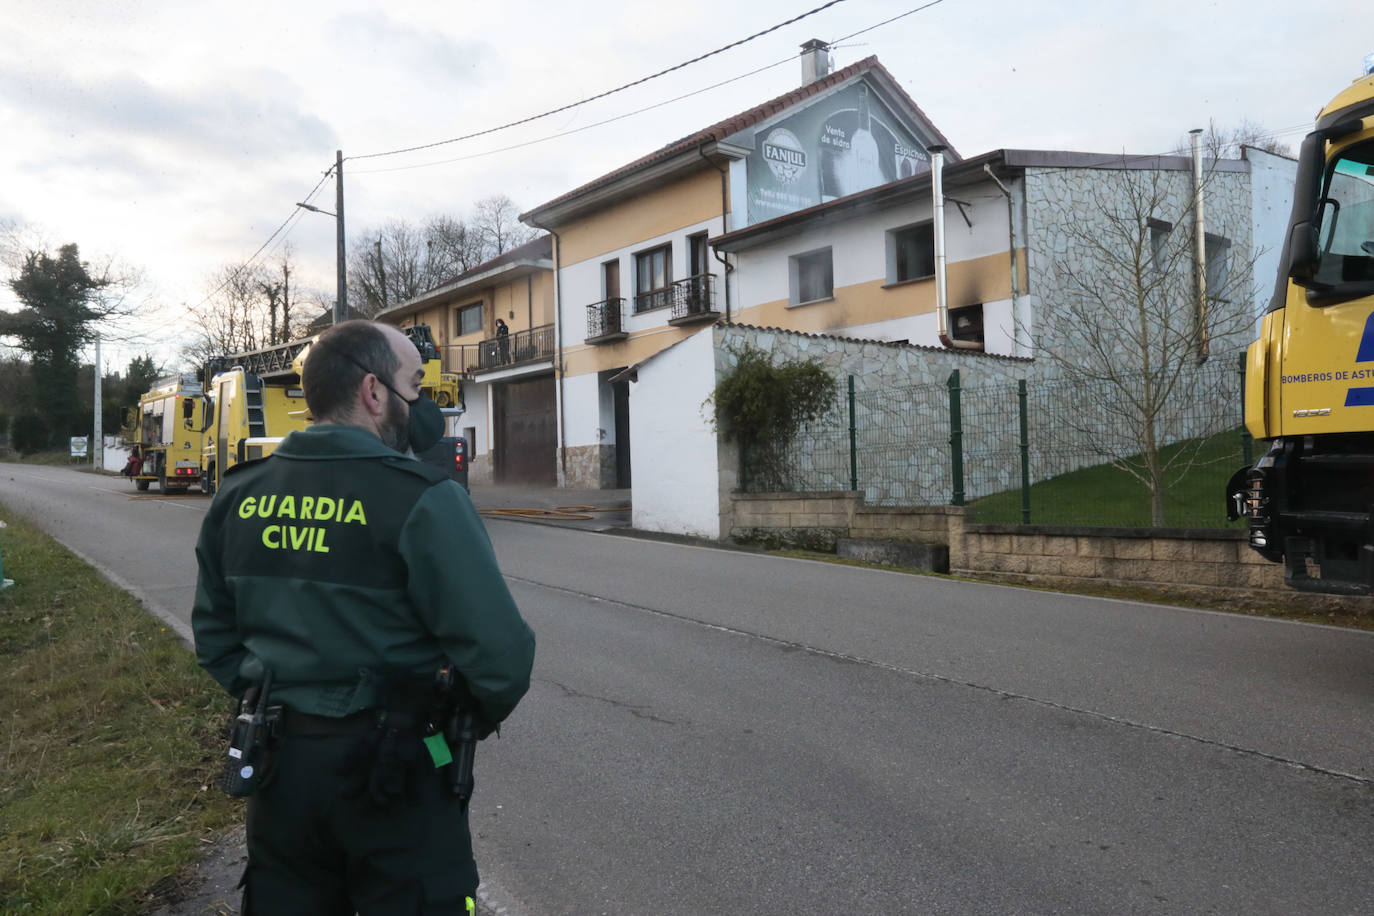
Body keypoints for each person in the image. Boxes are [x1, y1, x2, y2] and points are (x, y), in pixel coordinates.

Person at [192, 320, 536, 915]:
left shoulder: (239, 494)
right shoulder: (423, 496)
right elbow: (501, 655)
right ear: (375, 393)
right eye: (415, 384)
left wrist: (279, 698)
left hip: (280, 769)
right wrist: (445, 724)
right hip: (400, 770)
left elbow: (216, 639)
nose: (419, 403)